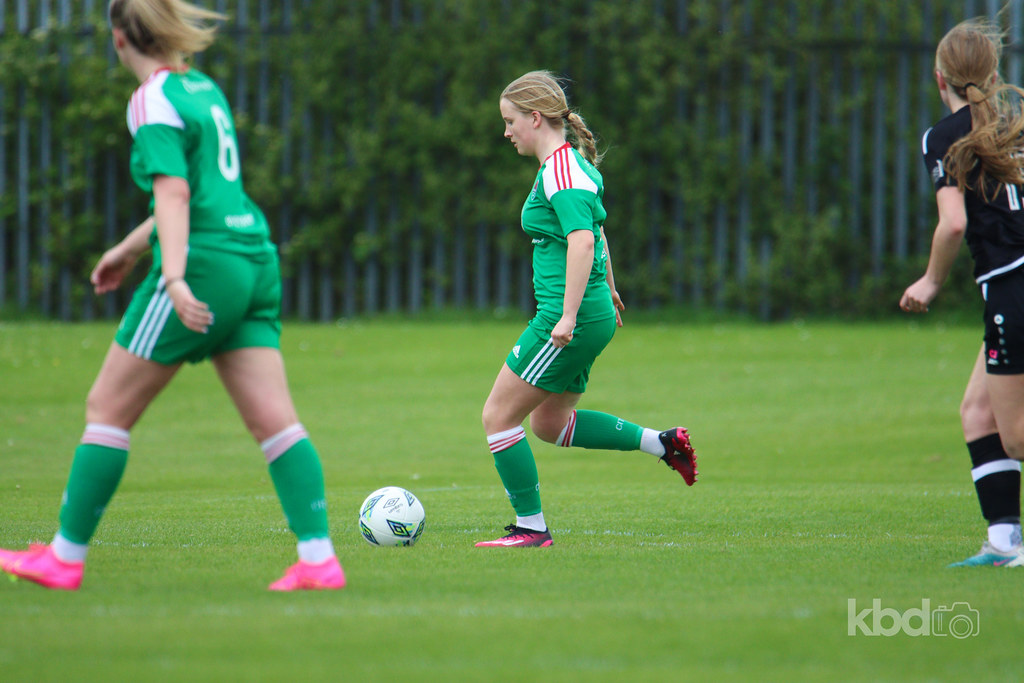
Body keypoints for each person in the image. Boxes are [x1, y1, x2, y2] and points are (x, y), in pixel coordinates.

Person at [0, 0, 344, 590]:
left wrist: (175, 277)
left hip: (205, 264)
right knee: (276, 423)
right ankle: (318, 559)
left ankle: (64, 556)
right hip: (252, 257)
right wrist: (132, 248)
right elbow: (204, 189)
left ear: (117, 39)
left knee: (106, 410)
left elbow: (177, 194)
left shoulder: (150, 97)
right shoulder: (200, 87)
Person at [475, 71, 698, 548]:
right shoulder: (571, 163)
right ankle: (661, 443)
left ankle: (531, 529)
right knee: (549, 424)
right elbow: (597, 234)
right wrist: (610, 290)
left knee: (497, 417)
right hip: (589, 314)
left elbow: (580, 241)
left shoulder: (560, 168)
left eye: (510, 121)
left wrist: (568, 316)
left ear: (535, 118)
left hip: (568, 318)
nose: (507, 131)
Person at [900, 17, 1024, 567]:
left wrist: (929, 282)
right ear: (993, 74)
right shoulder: (1014, 124)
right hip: (1014, 285)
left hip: (1012, 286)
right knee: (978, 412)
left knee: (1016, 436)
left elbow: (952, 224)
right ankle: (1004, 543)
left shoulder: (944, 136)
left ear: (938, 77)